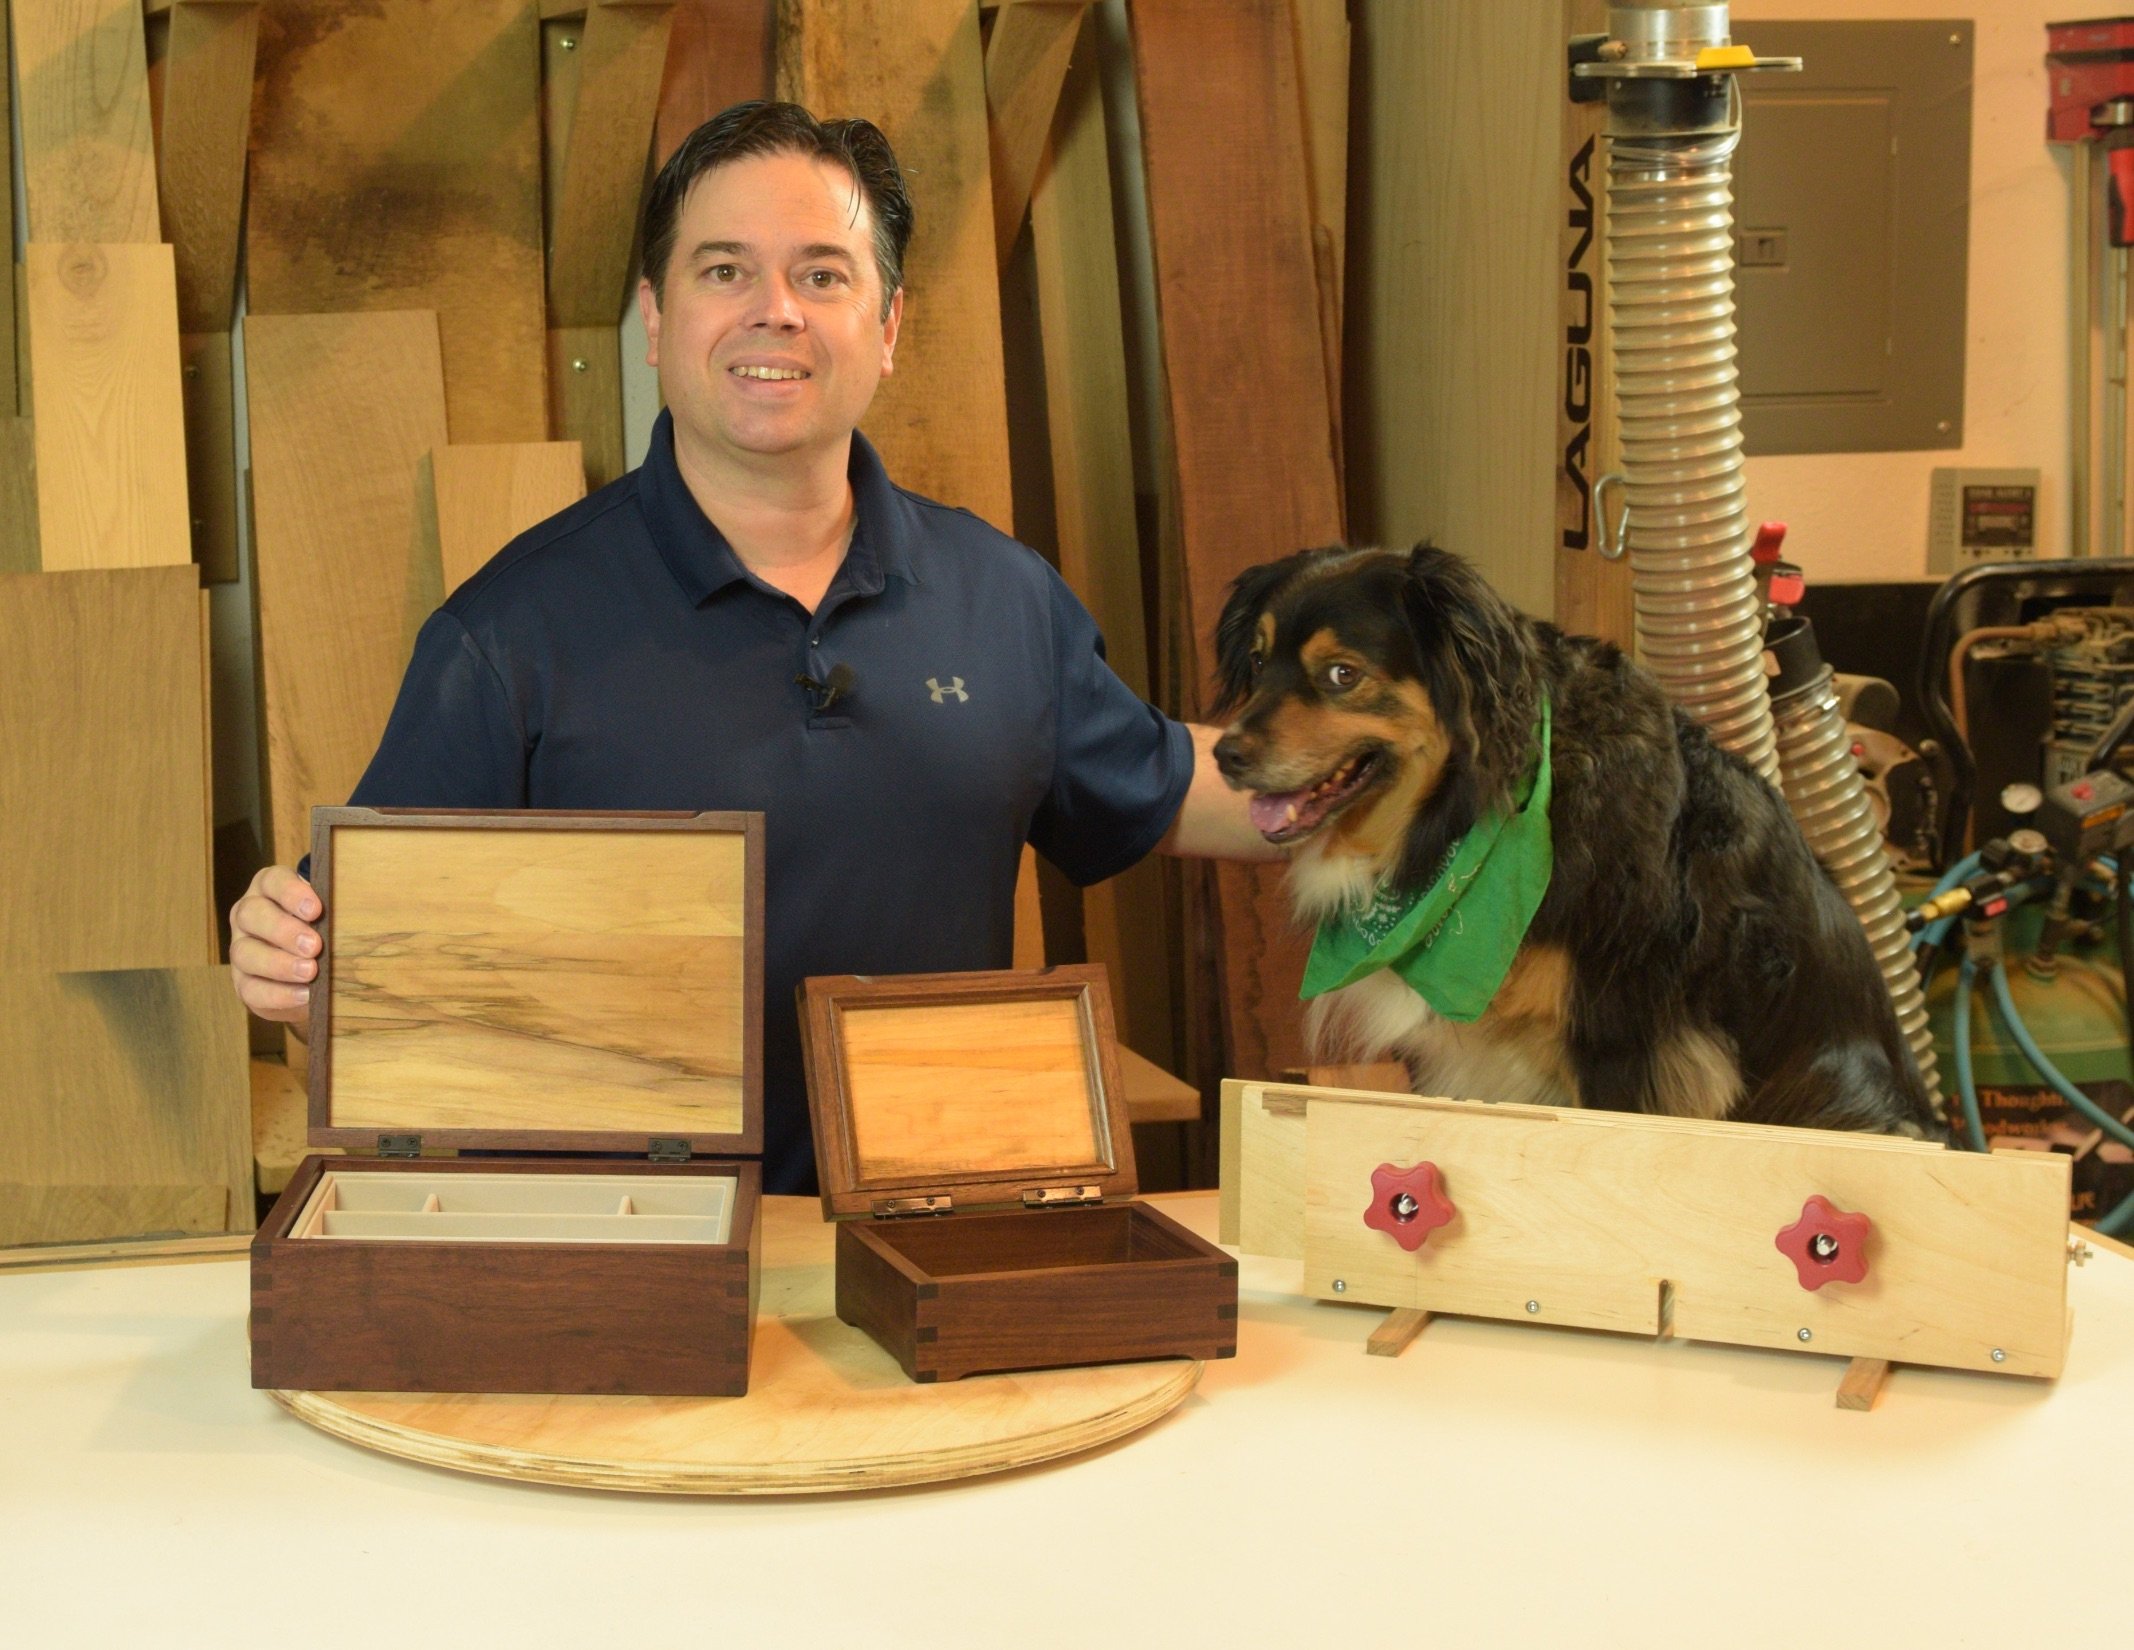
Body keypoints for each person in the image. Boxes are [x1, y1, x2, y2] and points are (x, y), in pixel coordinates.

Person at [229, 101, 1270, 1192]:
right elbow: (350, 992)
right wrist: (286, 966)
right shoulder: (510, 635)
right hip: (636, 1267)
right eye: (724, 271)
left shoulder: (1002, 600)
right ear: (654, 316)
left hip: (931, 1239)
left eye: (822, 275)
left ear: (890, 325)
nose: (774, 311)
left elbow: (1180, 783)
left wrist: (1414, 795)